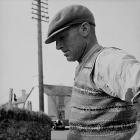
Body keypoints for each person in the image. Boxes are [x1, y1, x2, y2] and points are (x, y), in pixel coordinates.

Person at [45, 4, 140, 140]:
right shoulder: (84, 67)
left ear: (84, 29)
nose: (58, 46)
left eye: (62, 37)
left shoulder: (105, 60)